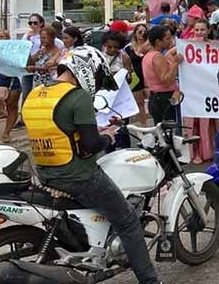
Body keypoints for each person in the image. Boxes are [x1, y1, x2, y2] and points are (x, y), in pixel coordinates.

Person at [22, 47, 162, 284]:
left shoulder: (36, 93)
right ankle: (150, 281)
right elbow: (92, 144)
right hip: (78, 176)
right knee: (127, 220)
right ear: (86, 70)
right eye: (97, 77)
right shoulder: (78, 96)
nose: (96, 84)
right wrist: (108, 137)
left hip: (46, 173)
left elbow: (58, 130)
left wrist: (90, 134)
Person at [183, 19, 218, 164]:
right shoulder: (186, 45)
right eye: (196, 30)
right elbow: (171, 55)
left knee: (208, 122)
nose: (199, 32)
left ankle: (208, 151)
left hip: (208, 89)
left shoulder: (214, 45)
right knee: (193, 123)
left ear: (208, 30)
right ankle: (195, 152)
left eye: (202, 29)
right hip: (191, 89)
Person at [142, 25, 182, 125]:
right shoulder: (157, 56)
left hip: (156, 97)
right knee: (168, 132)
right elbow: (166, 80)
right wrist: (175, 63)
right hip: (164, 98)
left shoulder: (148, 56)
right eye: (167, 38)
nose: (171, 40)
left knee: (161, 131)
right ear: (158, 42)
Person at [0, 30, 21, 143]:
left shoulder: (14, 51)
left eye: (3, 37)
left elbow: (19, 65)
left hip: (12, 82)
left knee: (12, 107)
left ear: (7, 39)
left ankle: (7, 133)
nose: (0, 39)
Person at [125, 24, 150, 126]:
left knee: (151, 103)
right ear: (135, 34)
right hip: (137, 78)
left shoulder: (150, 46)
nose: (142, 34)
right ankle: (143, 125)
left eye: (144, 32)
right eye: (140, 32)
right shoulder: (129, 48)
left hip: (148, 77)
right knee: (140, 104)